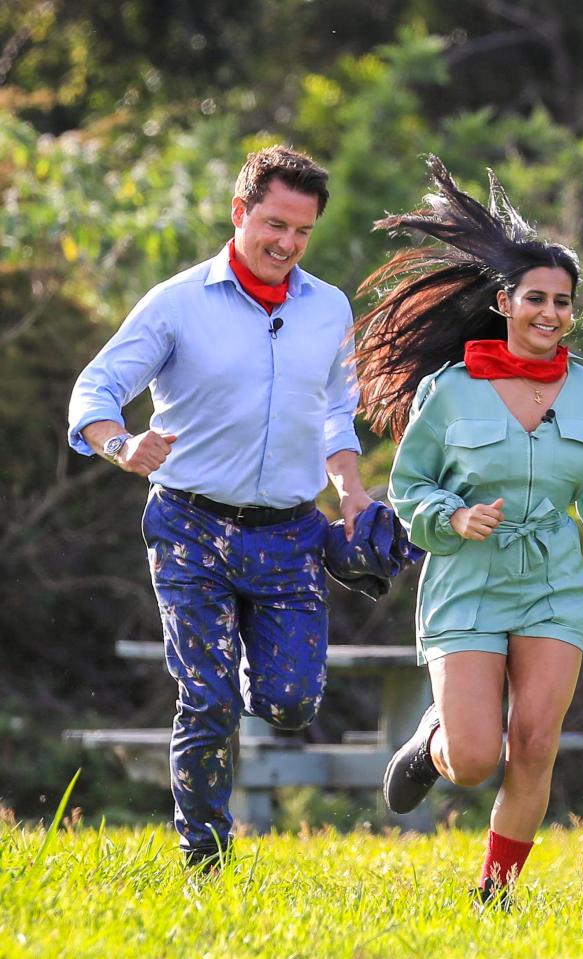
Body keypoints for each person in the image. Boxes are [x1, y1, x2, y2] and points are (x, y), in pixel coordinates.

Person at [355, 156, 583, 904]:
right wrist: (452, 515)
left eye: (563, 302)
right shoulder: (450, 392)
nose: (550, 313)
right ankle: (432, 740)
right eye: (535, 297)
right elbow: (409, 489)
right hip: (466, 579)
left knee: (534, 745)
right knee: (474, 760)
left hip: (552, 585)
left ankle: (494, 897)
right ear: (505, 301)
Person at [68, 145, 372, 866]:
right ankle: (204, 858)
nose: (287, 243)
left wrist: (350, 487)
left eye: (302, 231)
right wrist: (119, 444)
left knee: (293, 701)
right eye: (273, 224)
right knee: (206, 700)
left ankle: (241, 663)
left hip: (291, 533)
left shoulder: (328, 307)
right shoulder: (177, 302)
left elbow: (336, 409)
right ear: (240, 212)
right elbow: (94, 389)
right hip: (189, 527)